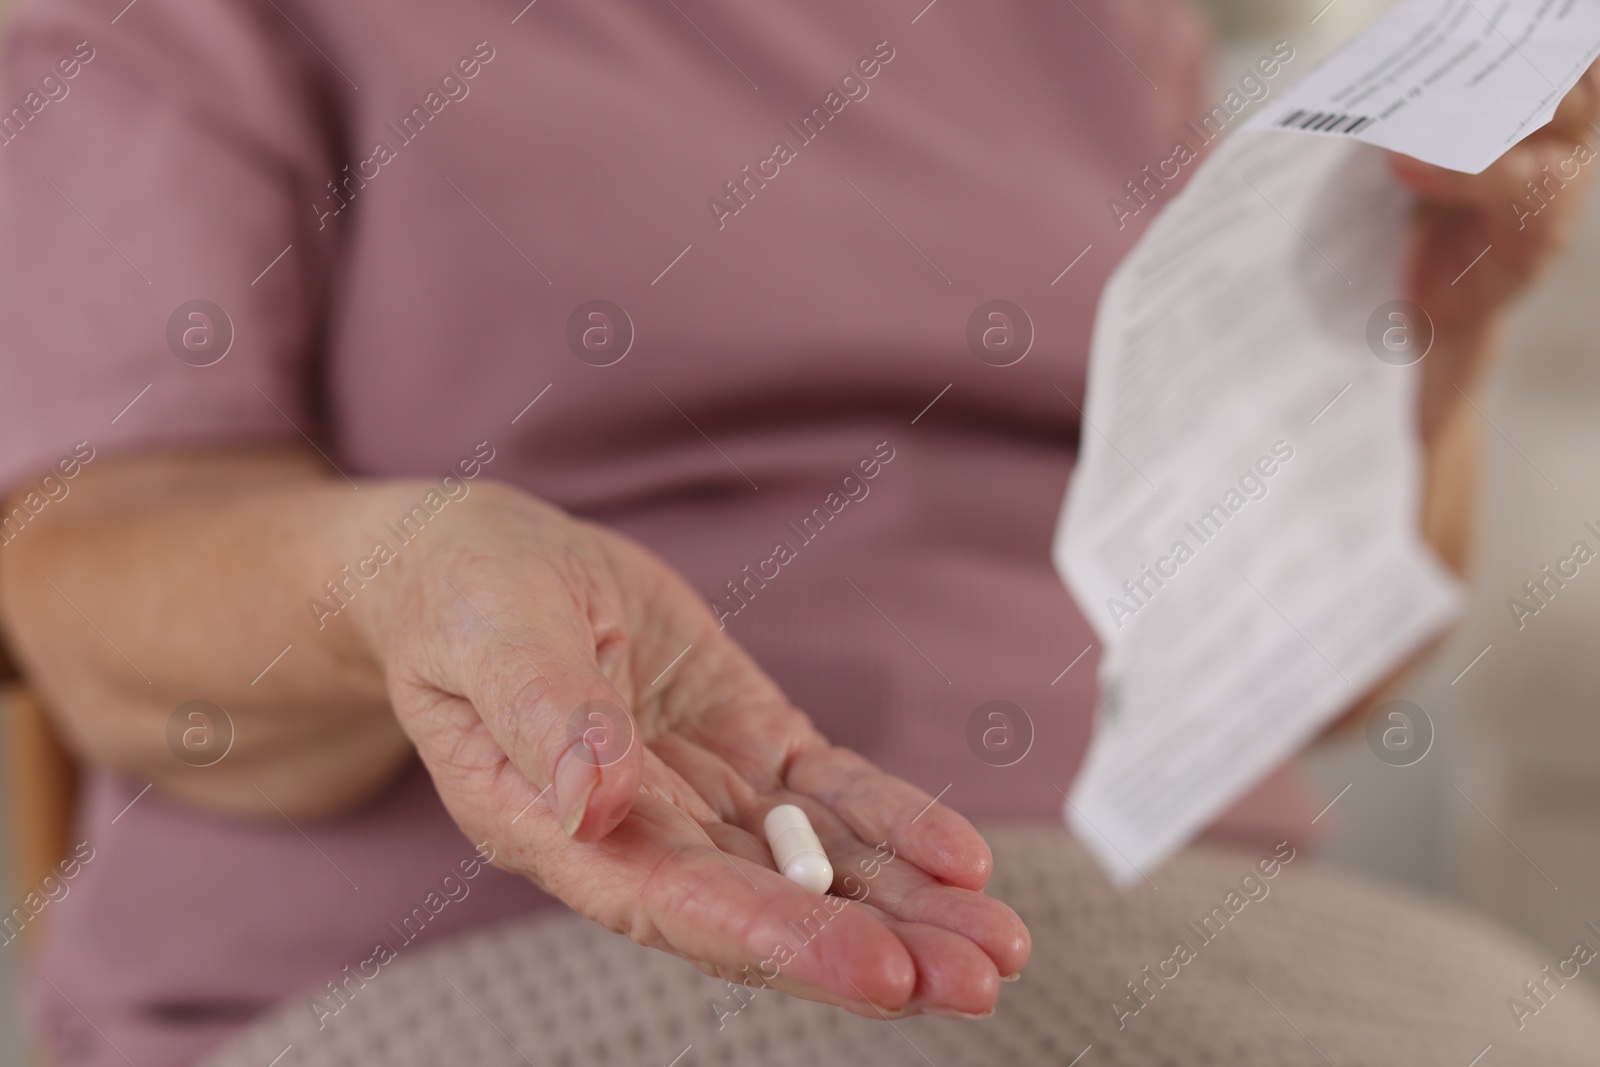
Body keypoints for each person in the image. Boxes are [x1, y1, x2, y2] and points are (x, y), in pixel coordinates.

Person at [0, 0, 1592, 1064]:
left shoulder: (1107, 26)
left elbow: (1327, 683)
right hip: (474, 957)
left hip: (1233, 940)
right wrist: (413, 582)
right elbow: (88, 565)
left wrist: (1419, 340)